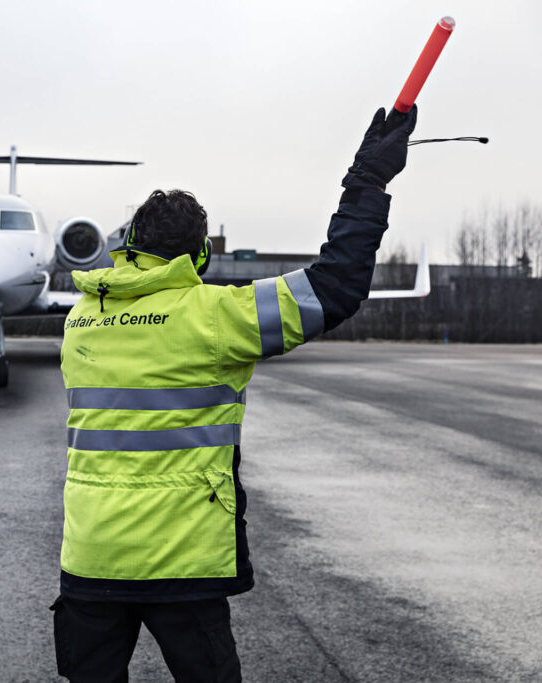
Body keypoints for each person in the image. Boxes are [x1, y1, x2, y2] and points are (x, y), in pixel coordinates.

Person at [52, 105, 418, 682]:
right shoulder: (213, 314)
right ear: (198, 257)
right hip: (181, 560)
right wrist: (368, 181)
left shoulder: (82, 317)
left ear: (129, 247)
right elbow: (336, 286)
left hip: (91, 555)